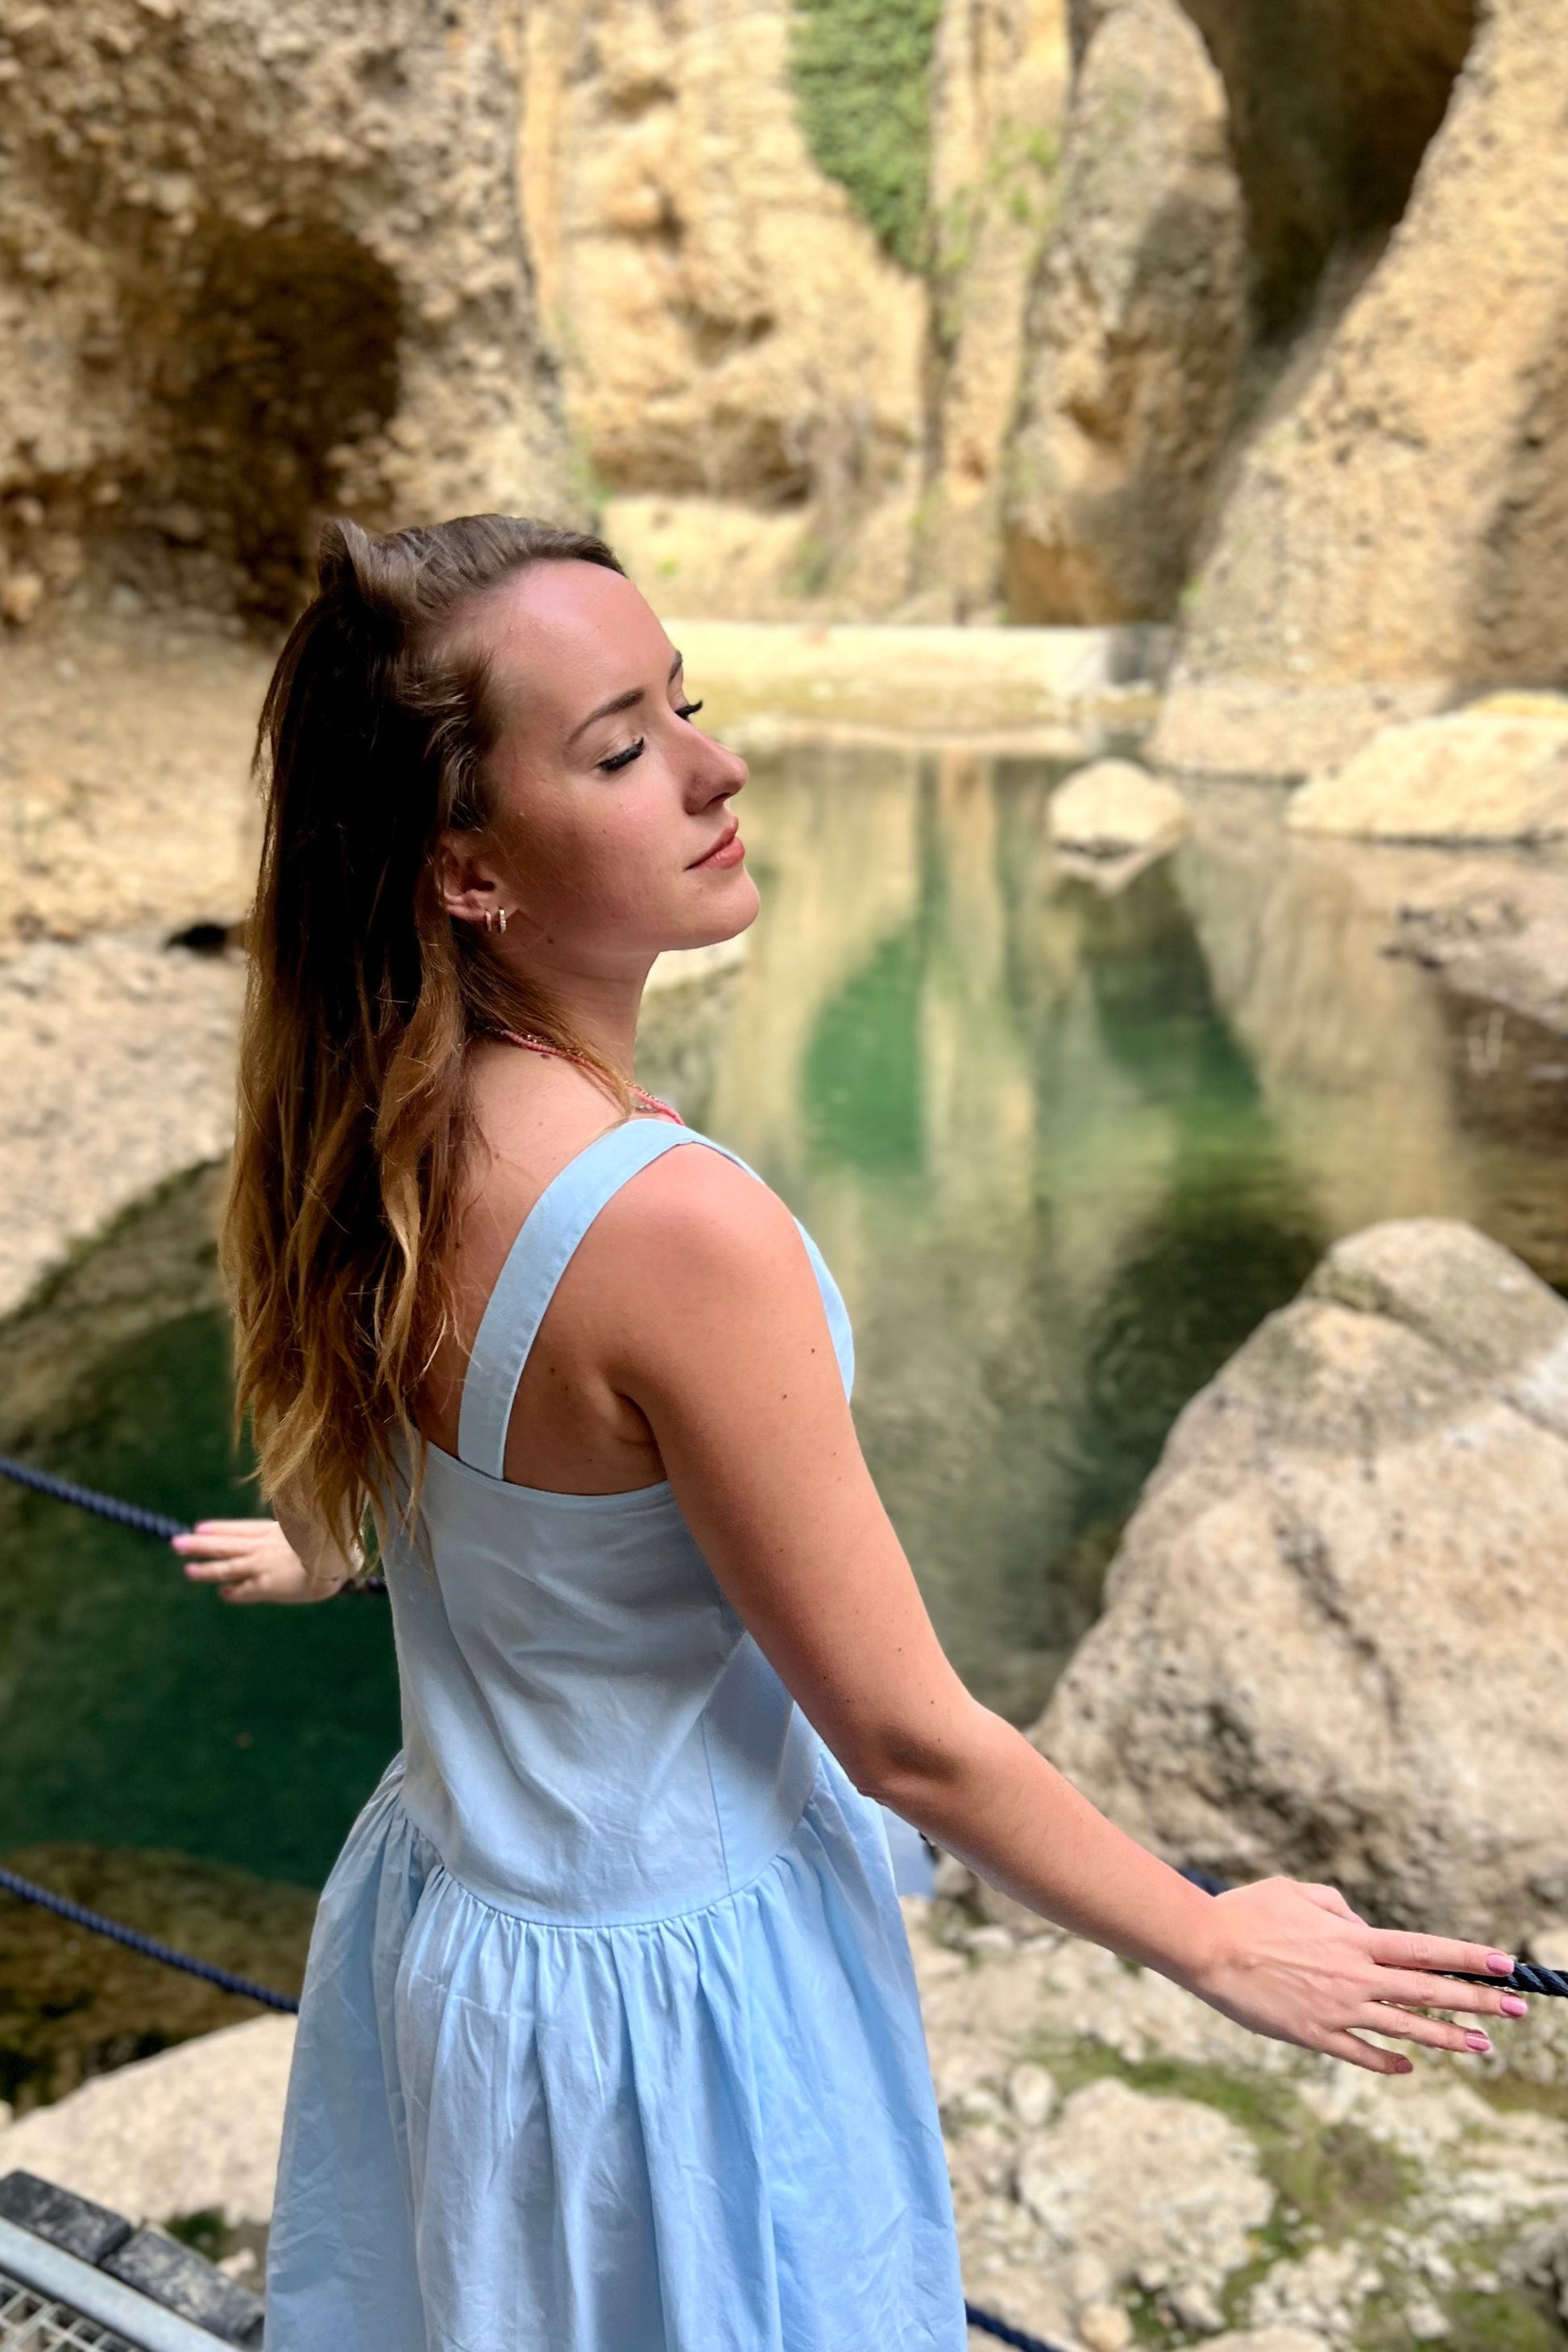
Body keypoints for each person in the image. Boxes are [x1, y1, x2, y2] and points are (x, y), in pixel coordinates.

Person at [185, 514, 1524, 2352]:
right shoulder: (671, 1223)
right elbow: (903, 1733)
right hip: (672, 2011)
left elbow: (496, 1494)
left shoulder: (382, 1135)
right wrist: (1212, 1935)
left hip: (460, 1942)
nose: (716, 767)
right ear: (468, 872)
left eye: (685, 704)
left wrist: (334, 1546)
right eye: (621, 749)